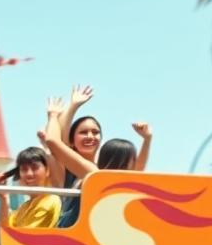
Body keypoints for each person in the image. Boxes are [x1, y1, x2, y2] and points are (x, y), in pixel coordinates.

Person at [39, 95, 153, 227]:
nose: (90, 136)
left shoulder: (98, 175)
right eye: (84, 132)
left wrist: (53, 116)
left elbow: (137, 171)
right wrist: (69, 108)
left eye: (95, 132)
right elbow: (55, 142)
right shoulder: (91, 173)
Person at [0, 147, 61, 228]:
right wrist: (3, 197)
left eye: (35, 168)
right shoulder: (23, 208)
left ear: (47, 171)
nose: (29, 174)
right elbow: (5, 231)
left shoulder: (52, 200)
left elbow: (24, 237)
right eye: (24, 169)